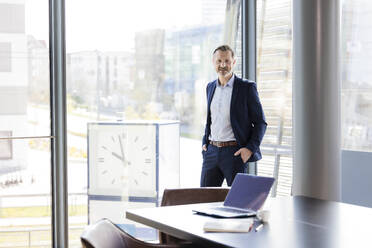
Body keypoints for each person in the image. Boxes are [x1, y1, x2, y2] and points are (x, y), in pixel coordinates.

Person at [200, 45, 267, 187]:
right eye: (219, 61)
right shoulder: (210, 87)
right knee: (203, 200)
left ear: (233, 62)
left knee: (238, 202)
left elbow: (261, 123)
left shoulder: (246, 88)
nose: (223, 65)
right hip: (211, 152)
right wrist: (205, 142)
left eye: (227, 61)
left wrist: (249, 149)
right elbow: (211, 119)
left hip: (235, 153)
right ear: (213, 62)